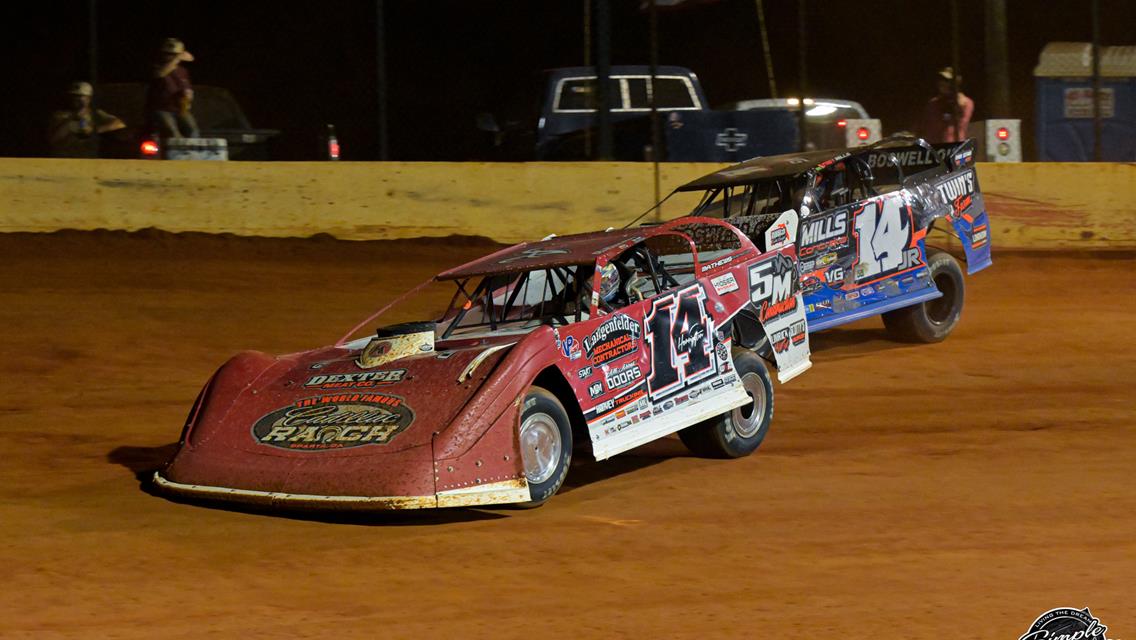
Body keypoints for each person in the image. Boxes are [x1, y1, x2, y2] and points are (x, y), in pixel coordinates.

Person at [46, 82, 126, 157]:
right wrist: (72, 118)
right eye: (74, 96)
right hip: (64, 158)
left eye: (81, 96)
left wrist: (94, 130)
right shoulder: (61, 115)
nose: (77, 99)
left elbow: (120, 124)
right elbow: (53, 139)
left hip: (86, 158)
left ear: (89, 98)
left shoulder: (95, 114)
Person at [146, 37, 200, 138]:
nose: (170, 57)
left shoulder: (182, 70)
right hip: (161, 108)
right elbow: (160, 74)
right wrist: (177, 58)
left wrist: (189, 95)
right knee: (172, 133)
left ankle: (191, 148)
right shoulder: (156, 67)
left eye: (174, 54)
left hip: (179, 108)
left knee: (193, 130)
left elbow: (186, 87)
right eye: (168, 54)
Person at [920, 67, 974, 143]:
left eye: (947, 81)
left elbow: (960, 123)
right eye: (941, 80)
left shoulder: (966, 103)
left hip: (954, 146)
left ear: (955, 83)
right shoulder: (933, 103)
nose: (942, 83)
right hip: (934, 146)